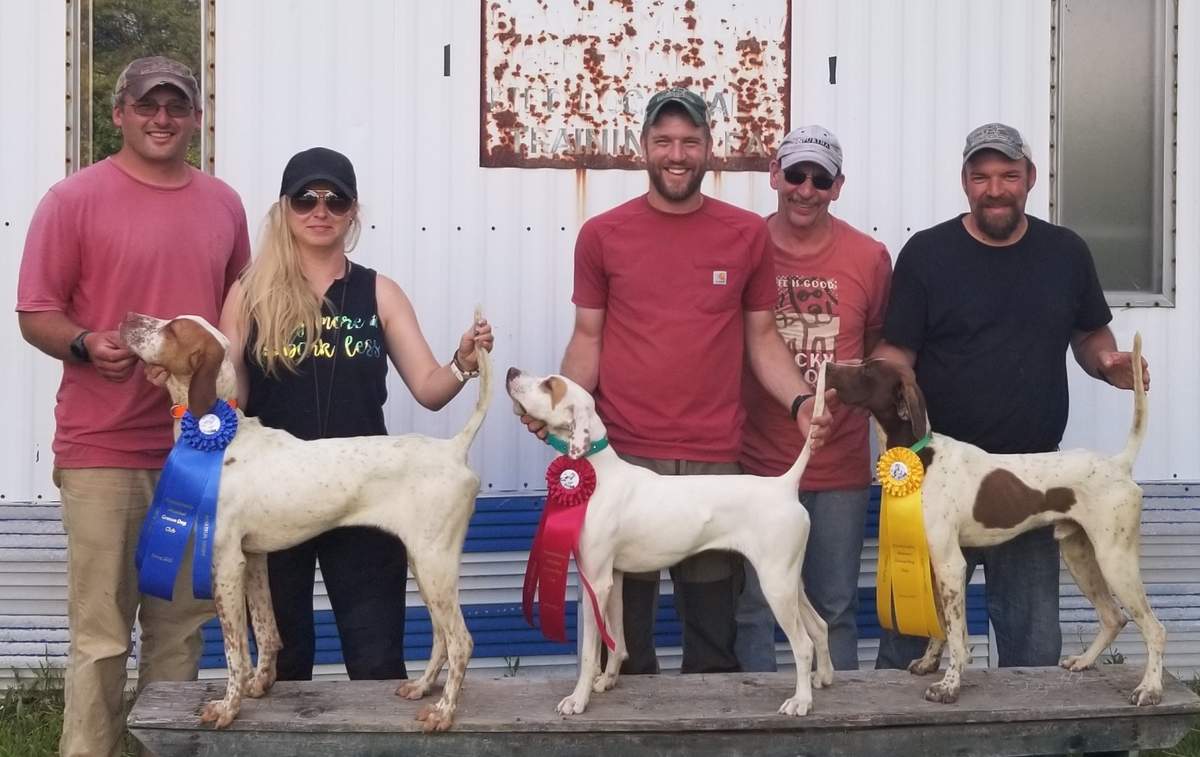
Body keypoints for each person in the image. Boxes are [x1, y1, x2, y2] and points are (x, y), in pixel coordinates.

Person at [524, 88, 814, 675]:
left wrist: (802, 401)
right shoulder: (604, 235)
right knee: (622, 645)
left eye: (690, 141)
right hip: (623, 457)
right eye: (664, 141)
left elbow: (762, 338)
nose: (676, 154)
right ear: (643, 148)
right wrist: (558, 418)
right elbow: (588, 337)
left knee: (712, 641)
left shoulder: (745, 235)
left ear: (710, 148)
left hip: (715, 465)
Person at [15, 56, 250, 757]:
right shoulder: (72, 200)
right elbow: (35, 312)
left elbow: (235, 316)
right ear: (118, 114)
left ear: (196, 120)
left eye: (177, 106)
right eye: (147, 105)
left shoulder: (224, 203)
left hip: (196, 449)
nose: (162, 118)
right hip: (102, 450)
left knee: (181, 628)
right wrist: (86, 343)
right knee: (102, 631)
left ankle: (164, 748)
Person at [871, 122, 1149, 672]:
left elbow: (1091, 335)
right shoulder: (926, 254)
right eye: (981, 176)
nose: (995, 188)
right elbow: (896, 353)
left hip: (1031, 482)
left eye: (1008, 175)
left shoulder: (1066, 252)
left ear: (1030, 179)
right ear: (965, 183)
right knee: (909, 644)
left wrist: (1108, 364)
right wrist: (874, 388)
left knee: (1032, 653)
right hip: (936, 478)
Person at [218, 147, 493, 682]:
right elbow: (232, 398)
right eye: (305, 199)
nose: (320, 211)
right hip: (275, 496)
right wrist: (186, 383)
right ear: (283, 209)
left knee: (375, 659)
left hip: (368, 492)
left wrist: (463, 362)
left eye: (335, 199)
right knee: (285, 660)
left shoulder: (378, 291)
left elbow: (429, 390)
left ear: (353, 212)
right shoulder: (249, 292)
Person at [736, 125, 891, 672]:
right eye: (795, 174)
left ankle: (839, 726)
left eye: (819, 178)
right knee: (756, 607)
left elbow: (877, 353)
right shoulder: (744, 244)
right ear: (774, 175)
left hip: (839, 463)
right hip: (757, 461)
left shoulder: (869, 256)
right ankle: (758, 729)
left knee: (835, 606)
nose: (805, 189)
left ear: (838, 186)